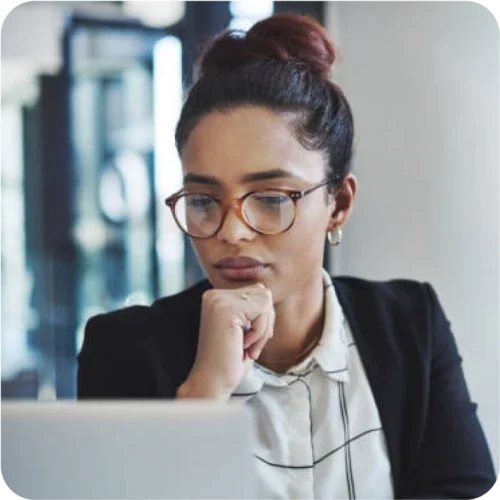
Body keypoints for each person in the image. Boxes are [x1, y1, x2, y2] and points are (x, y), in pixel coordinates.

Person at [77, 13, 496, 500]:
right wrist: (202, 395)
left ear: (337, 205)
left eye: (271, 198)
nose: (231, 232)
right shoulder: (123, 350)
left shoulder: (409, 327)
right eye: (204, 201)